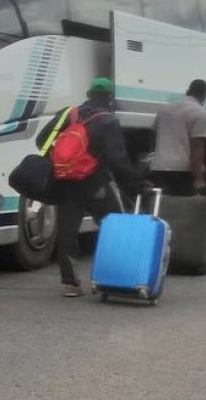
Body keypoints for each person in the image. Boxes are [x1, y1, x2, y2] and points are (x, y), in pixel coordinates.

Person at [36, 77, 147, 297]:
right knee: (114, 227)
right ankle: (117, 277)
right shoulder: (108, 121)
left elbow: (42, 141)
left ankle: (70, 283)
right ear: (110, 98)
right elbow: (117, 160)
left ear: (88, 95)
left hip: (66, 183)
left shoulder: (68, 114)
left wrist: (61, 160)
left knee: (67, 232)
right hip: (96, 184)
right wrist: (138, 184)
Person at [150, 79, 206, 196]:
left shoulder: (164, 109)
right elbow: (197, 148)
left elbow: (154, 134)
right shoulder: (200, 113)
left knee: (162, 204)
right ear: (204, 95)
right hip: (182, 170)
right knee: (181, 204)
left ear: (187, 91)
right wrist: (198, 178)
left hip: (158, 167)